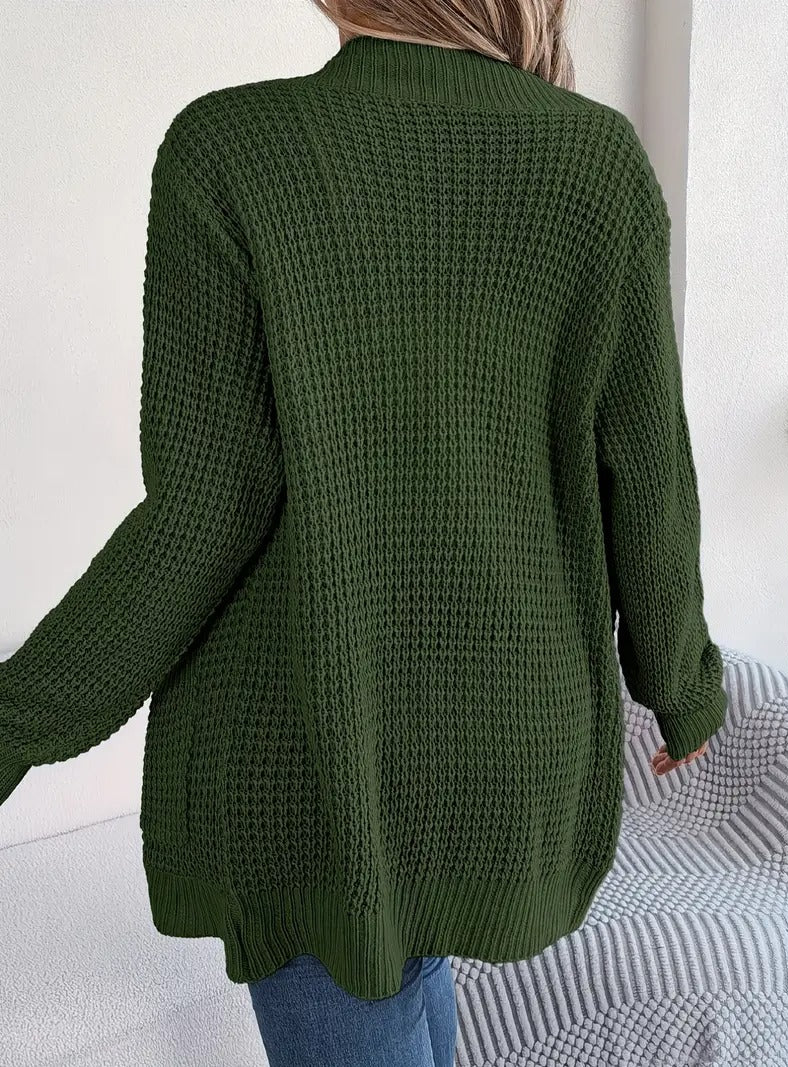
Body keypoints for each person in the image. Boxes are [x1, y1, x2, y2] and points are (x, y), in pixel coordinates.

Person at [0, 1, 728, 1064]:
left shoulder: (231, 149)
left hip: (304, 761)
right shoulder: (597, 163)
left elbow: (204, 512)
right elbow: (649, 474)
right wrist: (680, 680)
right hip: (502, 751)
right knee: (412, 977)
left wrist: (14, 719)